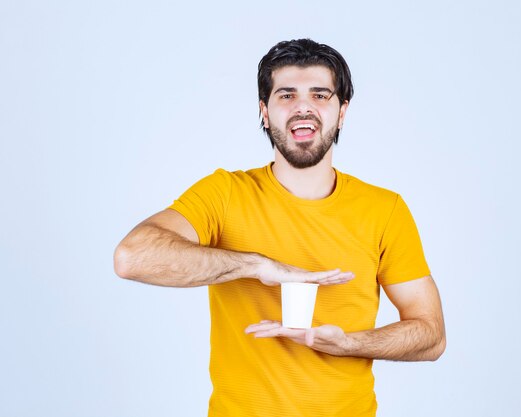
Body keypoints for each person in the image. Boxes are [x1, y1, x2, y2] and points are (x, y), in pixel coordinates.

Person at [114, 38, 446, 417]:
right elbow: (131, 256)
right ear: (264, 111)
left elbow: (430, 333)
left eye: (320, 95)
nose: (303, 106)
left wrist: (349, 344)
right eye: (286, 95)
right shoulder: (224, 194)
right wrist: (258, 266)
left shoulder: (385, 210)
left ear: (342, 112)